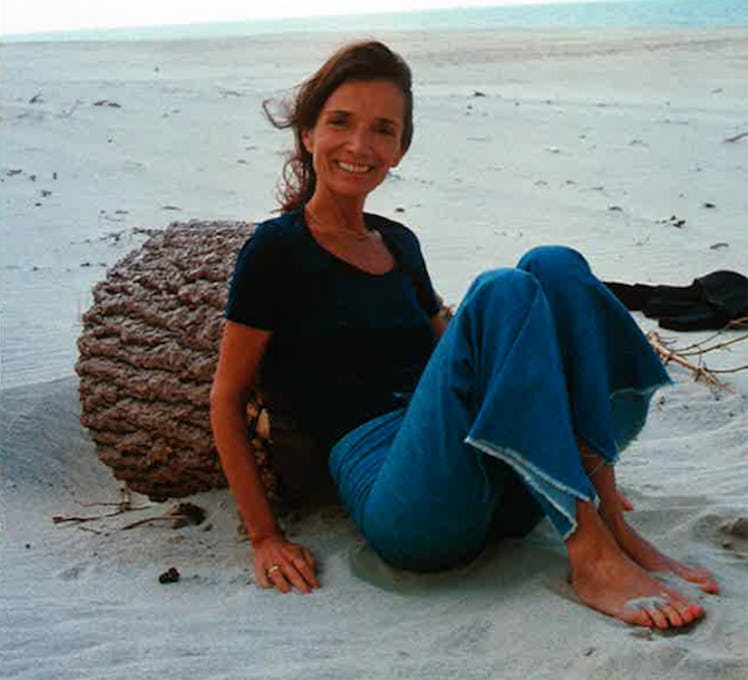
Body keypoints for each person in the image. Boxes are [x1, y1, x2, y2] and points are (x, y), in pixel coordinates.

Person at [210, 40, 719, 628]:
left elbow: (454, 351)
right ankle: (590, 552)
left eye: (383, 130)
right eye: (340, 123)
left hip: (492, 475)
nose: (359, 145)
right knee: (503, 288)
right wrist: (264, 538)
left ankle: (606, 512)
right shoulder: (276, 250)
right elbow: (226, 399)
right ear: (307, 135)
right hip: (405, 498)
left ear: (399, 150)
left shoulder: (399, 244)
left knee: (552, 263)